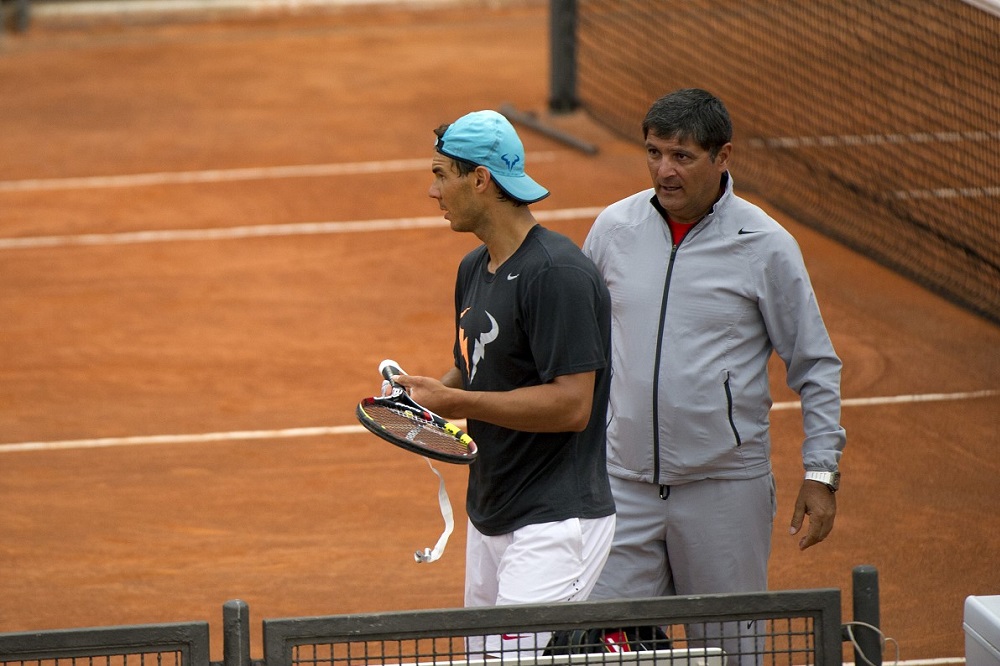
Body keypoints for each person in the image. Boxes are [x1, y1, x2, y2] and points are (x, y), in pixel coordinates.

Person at [582, 89, 847, 663]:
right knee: (598, 648)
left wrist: (821, 473)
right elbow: (584, 348)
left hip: (725, 489)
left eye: (681, 156)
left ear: (722, 156)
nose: (663, 170)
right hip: (623, 484)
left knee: (729, 652)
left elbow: (814, 362)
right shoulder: (613, 229)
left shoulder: (767, 246)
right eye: (653, 152)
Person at [388, 109, 617, 658]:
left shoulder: (557, 274)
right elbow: (471, 368)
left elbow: (571, 405)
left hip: (556, 521)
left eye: (441, 174)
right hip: (490, 513)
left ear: (481, 180)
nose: (432, 190)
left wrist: (458, 400)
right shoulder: (474, 268)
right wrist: (420, 400)